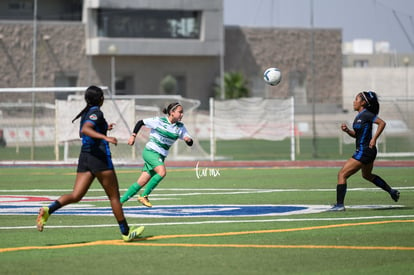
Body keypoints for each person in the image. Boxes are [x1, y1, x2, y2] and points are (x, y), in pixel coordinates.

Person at [36, 85, 144, 241]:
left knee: (76, 195)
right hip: (98, 158)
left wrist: (104, 128)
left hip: (85, 157)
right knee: (114, 196)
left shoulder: (86, 112)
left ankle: (48, 209)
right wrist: (105, 137)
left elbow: (84, 130)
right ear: (101, 98)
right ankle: (126, 232)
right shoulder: (96, 112)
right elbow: (86, 130)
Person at [329, 91, 400, 211]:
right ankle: (392, 191)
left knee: (342, 174)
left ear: (362, 103)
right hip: (367, 151)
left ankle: (340, 205)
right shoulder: (359, 117)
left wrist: (374, 138)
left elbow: (382, 123)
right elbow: (357, 135)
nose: (354, 102)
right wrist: (347, 131)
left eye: (356, 99)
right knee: (367, 175)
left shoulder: (367, 114)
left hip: (365, 151)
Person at [120, 102, 193, 207]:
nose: (182, 114)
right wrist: (133, 136)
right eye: (180, 112)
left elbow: (190, 142)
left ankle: (119, 203)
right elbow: (140, 122)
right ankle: (144, 196)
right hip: (151, 152)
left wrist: (188, 139)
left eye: (182, 112)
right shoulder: (159, 121)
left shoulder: (180, 127)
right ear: (172, 112)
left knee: (141, 182)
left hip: (160, 157)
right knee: (162, 172)